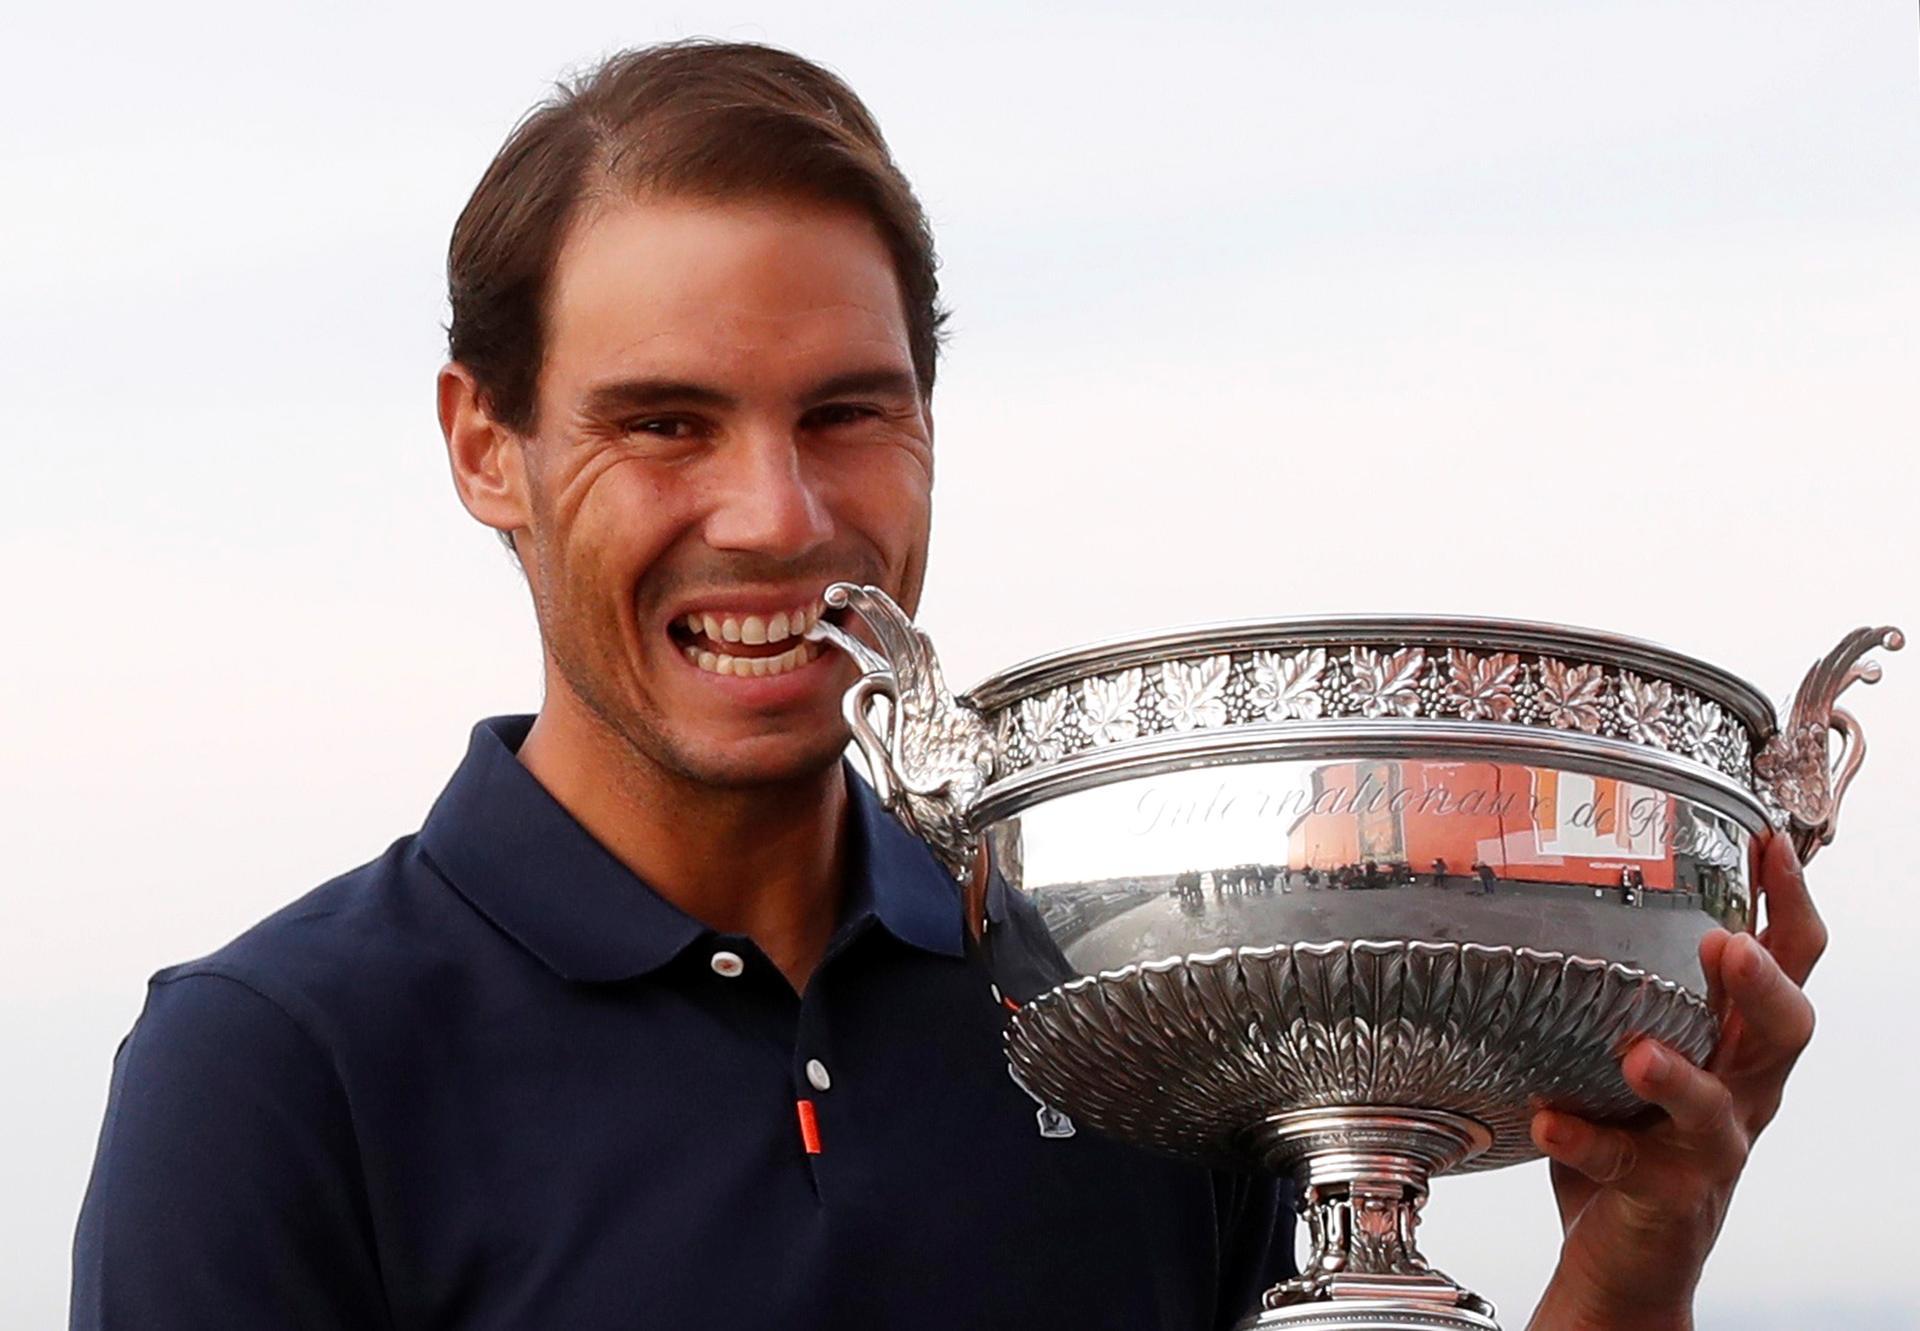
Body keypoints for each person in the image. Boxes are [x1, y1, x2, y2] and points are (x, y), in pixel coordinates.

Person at [71, 38, 1827, 1331]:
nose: (776, 517)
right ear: (486, 444)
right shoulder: (278, 1072)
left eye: (847, 413)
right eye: (664, 422)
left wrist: (1628, 1264)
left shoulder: (1137, 1000)